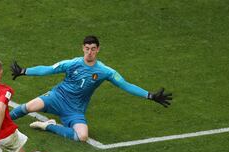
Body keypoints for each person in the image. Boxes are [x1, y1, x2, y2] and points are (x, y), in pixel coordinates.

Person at [10, 35, 172, 142]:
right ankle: (2, 123)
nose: (89, 52)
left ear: (98, 49)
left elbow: (125, 85)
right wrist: (25, 71)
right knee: (28, 107)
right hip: (57, 97)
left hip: (75, 110)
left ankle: (48, 125)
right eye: (87, 48)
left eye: (93, 49)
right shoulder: (72, 63)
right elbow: (49, 69)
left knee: (82, 136)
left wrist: (150, 95)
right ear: (83, 48)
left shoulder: (105, 71)